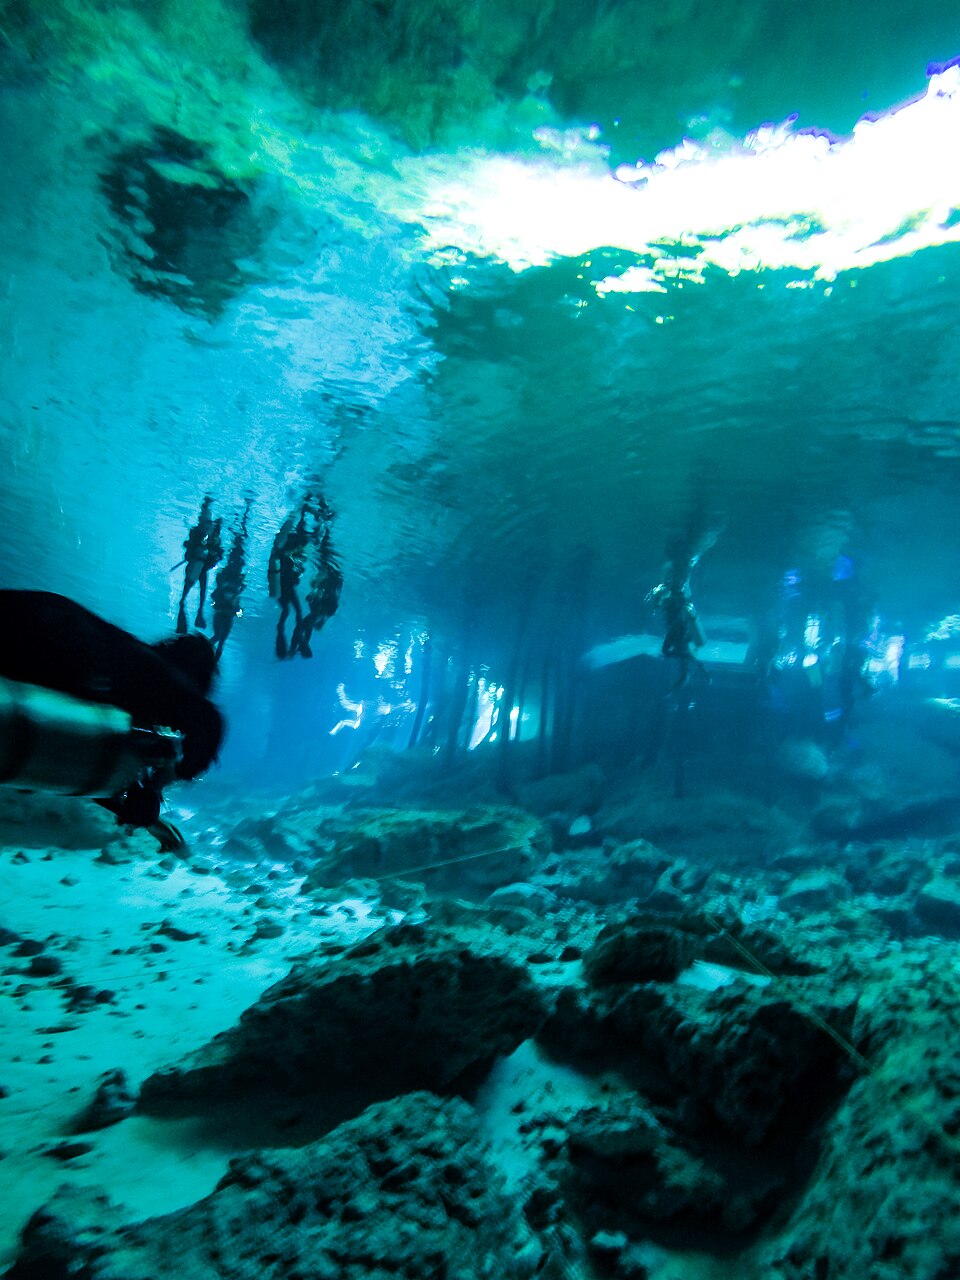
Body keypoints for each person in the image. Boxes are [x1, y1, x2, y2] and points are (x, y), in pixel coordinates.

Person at [0, 591, 224, 844]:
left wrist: (135, 806)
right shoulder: (157, 675)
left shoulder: (124, 684)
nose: (173, 727)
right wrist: (174, 775)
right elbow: (209, 722)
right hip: (36, 627)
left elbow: (77, 757)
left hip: (35, 624)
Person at [647, 527, 717, 689]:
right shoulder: (684, 649)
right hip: (679, 617)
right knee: (675, 654)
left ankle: (688, 540)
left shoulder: (684, 649)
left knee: (675, 654)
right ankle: (690, 540)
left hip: (678, 617)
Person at [269, 504, 311, 659]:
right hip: (285, 585)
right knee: (291, 611)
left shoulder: (286, 553)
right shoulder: (288, 553)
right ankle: (293, 638)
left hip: (283, 585)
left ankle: (292, 638)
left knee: (288, 611)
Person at [211, 499, 251, 662]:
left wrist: (237, 610)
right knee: (220, 639)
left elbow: (217, 598)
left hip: (224, 615)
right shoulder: (229, 590)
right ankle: (242, 516)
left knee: (220, 639)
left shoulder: (226, 590)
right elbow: (235, 606)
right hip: (224, 616)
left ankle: (241, 516)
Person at [297, 525, 343, 659]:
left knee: (324, 554)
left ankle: (325, 529)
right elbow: (308, 622)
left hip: (330, 578)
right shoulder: (327, 610)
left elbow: (308, 622)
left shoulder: (320, 610)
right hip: (332, 578)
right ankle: (327, 528)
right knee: (324, 555)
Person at [175, 496, 215, 635]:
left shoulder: (206, 533)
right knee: (191, 585)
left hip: (201, 565)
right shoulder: (197, 532)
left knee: (200, 587)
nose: (208, 525)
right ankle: (187, 605)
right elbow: (188, 545)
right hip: (196, 564)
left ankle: (198, 611)